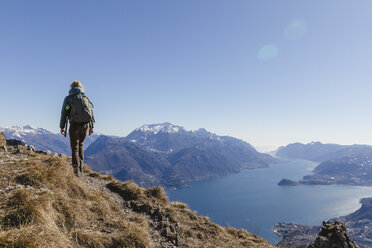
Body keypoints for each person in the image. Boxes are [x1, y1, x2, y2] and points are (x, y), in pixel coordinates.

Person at [60, 81, 95, 177]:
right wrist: (91, 127)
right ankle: (81, 168)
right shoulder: (85, 98)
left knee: (74, 147)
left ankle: (75, 171)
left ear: (71, 87)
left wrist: (62, 127)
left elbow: (64, 113)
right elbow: (91, 113)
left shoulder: (68, 98)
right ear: (81, 87)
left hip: (74, 125)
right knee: (81, 145)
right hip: (85, 125)